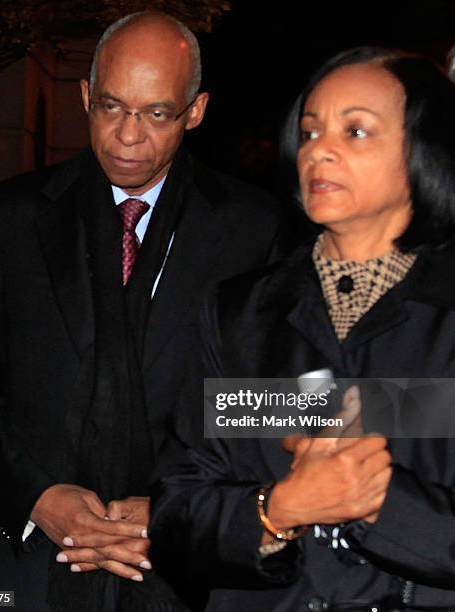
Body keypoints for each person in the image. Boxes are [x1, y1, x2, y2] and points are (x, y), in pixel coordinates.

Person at [0, 11, 285, 612]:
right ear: (84, 96)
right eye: (110, 107)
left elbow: (270, 396)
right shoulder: (8, 217)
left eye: (156, 114)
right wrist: (35, 497)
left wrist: (182, 504)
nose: (128, 137)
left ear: (196, 110)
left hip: (184, 572)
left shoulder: (254, 229)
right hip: (24, 571)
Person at [149, 47, 455, 610]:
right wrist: (279, 508)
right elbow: (175, 517)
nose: (320, 152)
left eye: (356, 131)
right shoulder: (240, 313)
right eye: (310, 133)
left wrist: (379, 502)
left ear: (423, 149)